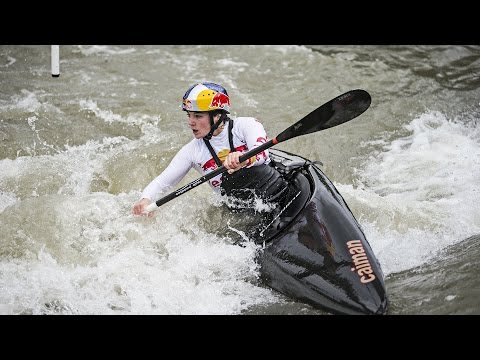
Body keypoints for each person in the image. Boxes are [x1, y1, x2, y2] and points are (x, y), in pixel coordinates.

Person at [132, 82, 288, 231]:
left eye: (198, 116)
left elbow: (262, 153)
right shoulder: (192, 151)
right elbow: (162, 181)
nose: (191, 122)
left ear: (217, 115)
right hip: (241, 210)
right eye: (189, 115)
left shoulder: (246, 125)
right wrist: (145, 199)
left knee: (256, 171)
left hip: (275, 191)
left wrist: (244, 159)